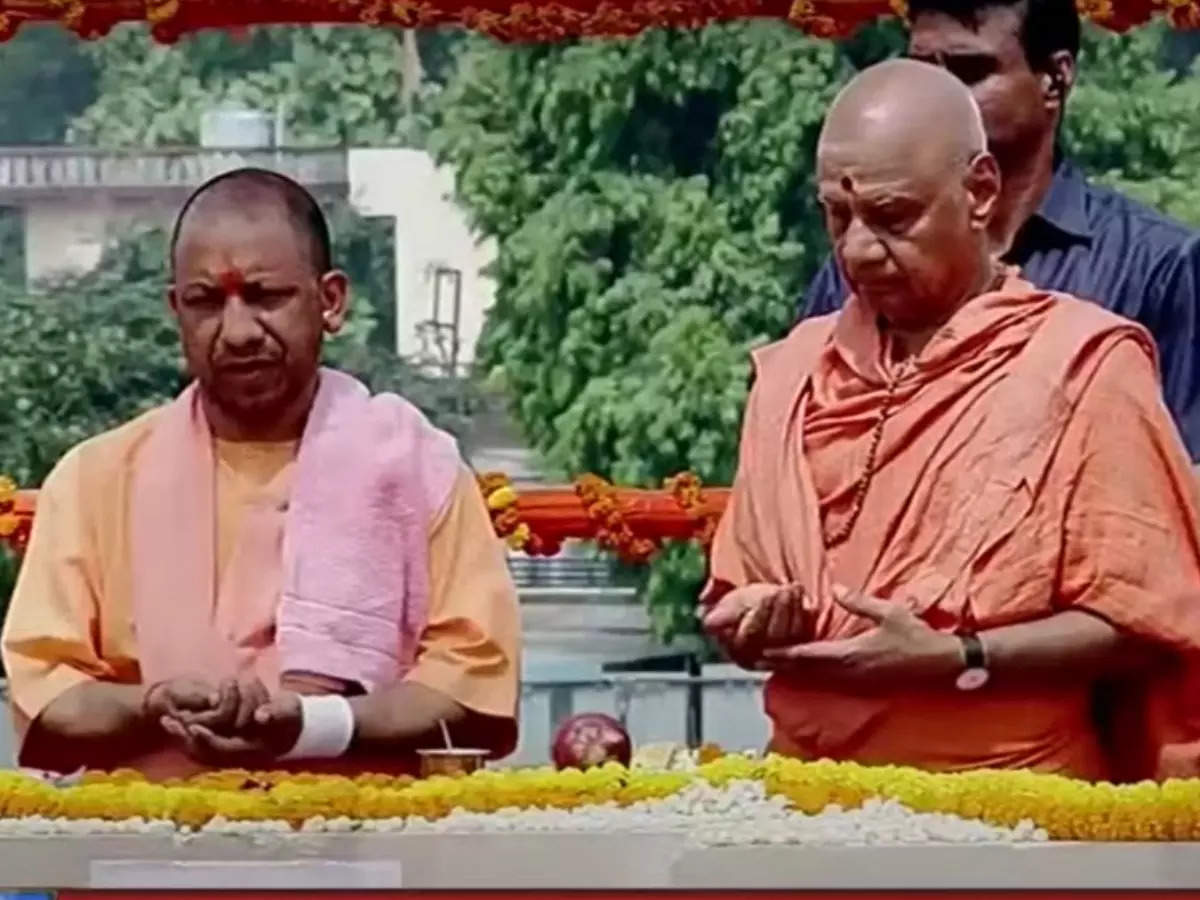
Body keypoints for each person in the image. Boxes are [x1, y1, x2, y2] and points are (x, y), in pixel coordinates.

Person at [704, 59, 1200, 782]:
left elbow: (1148, 619)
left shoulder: (1081, 364)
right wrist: (754, 622)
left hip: (1016, 811)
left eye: (894, 217)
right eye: (837, 217)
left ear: (979, 193)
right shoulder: (793, 374)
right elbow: (733, 594)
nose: (858, 250)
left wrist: (962, 657)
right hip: (803, 800)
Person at [2, 169, 521, 778]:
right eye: (206, 302)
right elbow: (44, 698)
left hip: (365, 852)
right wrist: (155, 704)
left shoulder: (413, 468)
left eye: (266, 295)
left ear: (330, 300)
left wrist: (313, 725)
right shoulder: (95, 480)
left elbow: (475, 691)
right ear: (176, 310)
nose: (239, 330)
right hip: (147, 852)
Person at [799, 0, 1200, 460]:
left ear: (1055, 79)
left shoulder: (1158, 267)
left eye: (969, 71)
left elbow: (1174, 494)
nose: (937, 99)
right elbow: (801, 456)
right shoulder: (865, 265)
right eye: (922, 72)